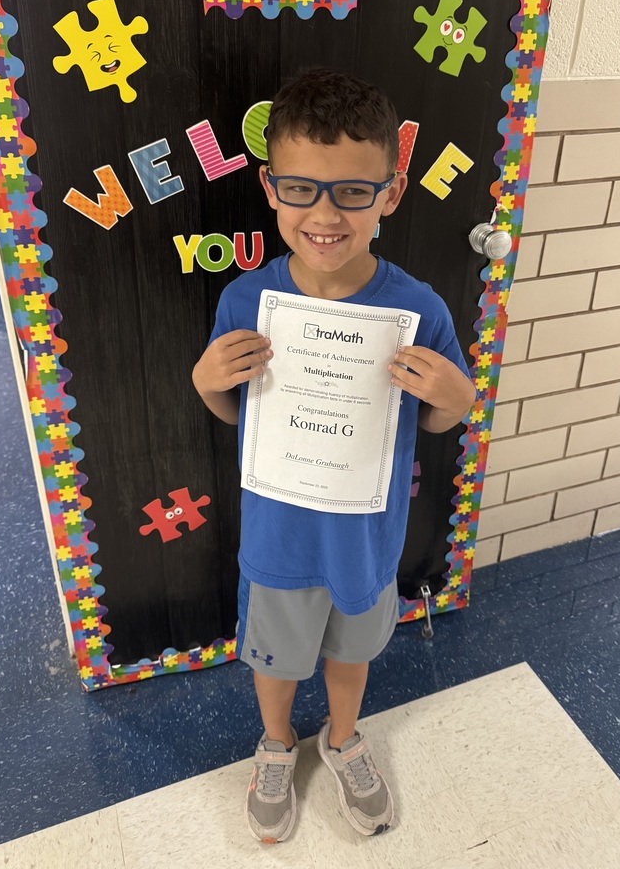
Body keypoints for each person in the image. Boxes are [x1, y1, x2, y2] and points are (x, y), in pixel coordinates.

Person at [191, 68, 476, 844]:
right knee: (277, 656)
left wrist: (457, 395)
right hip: (279, 537)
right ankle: (277, 745)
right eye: (301, 189)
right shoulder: (246, 299)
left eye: (353, 191)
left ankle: (342, 737)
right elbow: (230, 408)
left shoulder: (418, 308)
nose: (325, 213)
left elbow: (445, 419)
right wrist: (206, 381)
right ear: (268, 187)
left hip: (365, 538)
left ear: (390, 191)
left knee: (353, 651)